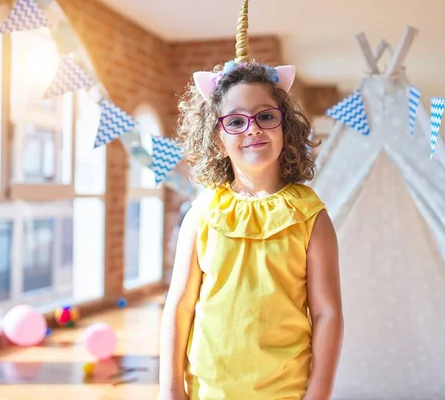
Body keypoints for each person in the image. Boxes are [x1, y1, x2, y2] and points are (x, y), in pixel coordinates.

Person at [158, 2, 343, 399]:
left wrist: (319, 393)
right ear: (218, 139)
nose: (252, 130)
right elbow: (179, 305)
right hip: (209, 389)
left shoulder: (310, 216)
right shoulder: (202, 214)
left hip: (286, 391)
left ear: (285, 127)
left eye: (265, 116)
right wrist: (170, 389)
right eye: (236, 121)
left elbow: (328, 313)